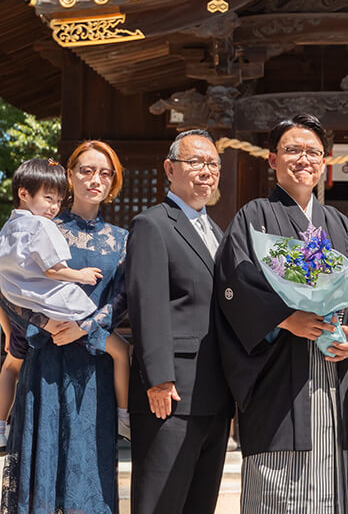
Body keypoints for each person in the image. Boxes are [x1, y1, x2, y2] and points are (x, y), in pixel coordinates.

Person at [214, 113, 348, 514]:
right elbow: (236, 280)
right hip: (279, 373)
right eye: (293, 150)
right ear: (272, 159)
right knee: (278, 487)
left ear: (325, 161)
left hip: (330, 368)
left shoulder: (337, 223)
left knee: (333, 481)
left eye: (313, 152)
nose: (304, 159)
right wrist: (285, 319)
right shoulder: (254, 216)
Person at [0, 140, 130, 514]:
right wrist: (45, 322)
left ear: (114, 181)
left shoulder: (122, 240)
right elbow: (4, 286)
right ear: (70, 177)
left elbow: (122, 300)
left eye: (105, 173)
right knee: (42, 470)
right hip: (45, 364)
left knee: (90, 471)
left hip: (93, 368)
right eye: (86, 171)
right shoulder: (38, 225)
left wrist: (85, 327)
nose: (96, 179)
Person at [126, 130, 233, 514]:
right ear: (170, 169)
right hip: (170, 394)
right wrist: (158, 378)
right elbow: (146, 303)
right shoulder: (152, 224)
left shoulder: (218, 233)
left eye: (213, 164)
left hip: (215, 394)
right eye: (195, 162)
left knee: (199, 504)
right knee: (161, 503)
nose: (206, 171)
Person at [0, 158, 67, 465]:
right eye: (48, 198)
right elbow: (56, 272)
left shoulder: (5, 232)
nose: (54, 207)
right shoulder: (40, 228)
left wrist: (8, 330)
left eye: (58, 200)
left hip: (16, 316)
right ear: (23, 193)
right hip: (44, 313)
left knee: (10, 368)